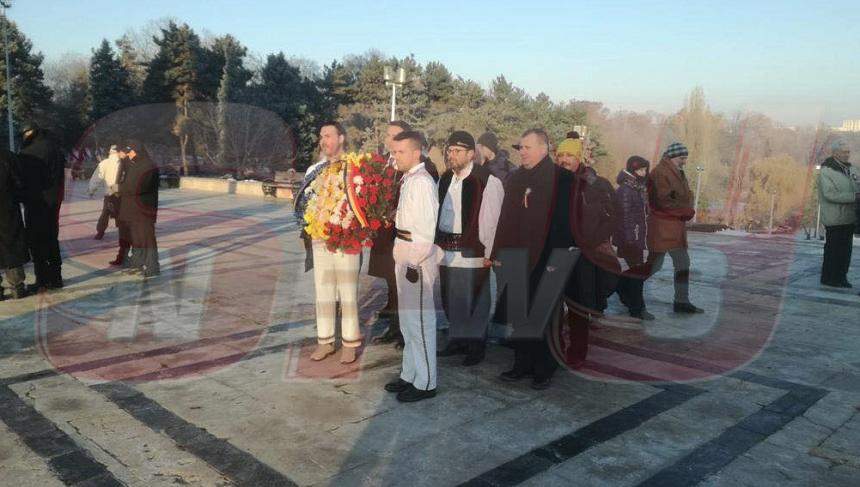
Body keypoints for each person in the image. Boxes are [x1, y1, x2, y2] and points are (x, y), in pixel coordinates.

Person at [493, 129, 577, 390]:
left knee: (543, 315)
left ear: (544, 148)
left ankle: (544, 367)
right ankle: (521, 363)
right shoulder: (516, 178)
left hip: (548, 258)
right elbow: (506, 219)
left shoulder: (562, 179)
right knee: (519, 314)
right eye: (520, 148)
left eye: (527, 147)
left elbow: (567, 225)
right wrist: (498, 253)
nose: (522, 152)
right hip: (518, 258)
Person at [435, 131, 504, 366]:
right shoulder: (445, 179)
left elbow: (493, 220)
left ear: (471, 154)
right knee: (451, 298)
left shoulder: (488, 181)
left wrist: (489, 254)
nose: (451, 155)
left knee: (476, 299)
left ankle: (475, 345)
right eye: (449, 151)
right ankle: (457, 339)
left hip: (474, 250)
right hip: (446, 249)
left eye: (457, 152)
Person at [297, 122, 363, 364]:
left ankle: (349, 343)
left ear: (341, 138)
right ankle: (324, 341)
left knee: (347, 293)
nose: (323, 140)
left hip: (346, 240)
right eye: (321, 136)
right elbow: (305, 203)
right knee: (323, 292)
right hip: (320, 238)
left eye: (328, 135)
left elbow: (361, 203)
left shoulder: (354, 166)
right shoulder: (314, 169)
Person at [383, 130, 440, 402]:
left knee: (419, 321)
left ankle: (427, 382)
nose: (395, 157)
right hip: (403, 251)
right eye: (394, 152)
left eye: (400, 152)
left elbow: (427, 231)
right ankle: (410, 374)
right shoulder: (410, 179)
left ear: (416, 152)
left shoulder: (423, 182)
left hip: (415, 258)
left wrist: (413, 263)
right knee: (407, 322)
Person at [369, 121, 438, 347]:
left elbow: (426, 227)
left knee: (416, 316)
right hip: (396, 244)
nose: (392, 147)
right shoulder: (397, 170)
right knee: (399, 301)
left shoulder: (423, 176)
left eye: (399, 147)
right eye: (389, 137)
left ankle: (422, 377)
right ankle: (407, 365)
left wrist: (413, 262)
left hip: (412, 252)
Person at [556, 137, 620, 366]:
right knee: (553, 304)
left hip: (584, 255)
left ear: (579, 157)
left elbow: (614, 218)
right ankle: (556, 348)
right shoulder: (552, 181)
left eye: (570, 155)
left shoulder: (597, 184)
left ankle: (577, 352)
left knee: (578, 307)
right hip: (556, 253)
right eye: (561, 155)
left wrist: (590, 241)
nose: (564, 160)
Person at [645, 142, 704, 313]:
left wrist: (685, 209)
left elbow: (681, 195)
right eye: (682, 158)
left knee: (681, 262)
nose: (685, 161)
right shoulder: (660, 173)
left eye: (685, 158)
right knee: (655, 265)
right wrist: (684, 211)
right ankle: (626, 286)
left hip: (673, 227)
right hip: (663, 227)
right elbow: (663, 201)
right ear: (671, 157)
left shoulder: (676, 172)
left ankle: (681, 301)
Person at [18, 125, 65, 292]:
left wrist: (20, 197)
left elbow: (23, 181)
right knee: (52, 240)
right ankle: (56, 278)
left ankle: (42, 279)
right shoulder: (54, 148)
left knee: (36, 242)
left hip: (36, 203)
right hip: (53, 203)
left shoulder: (29, 152)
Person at [613, 156, 654, 320]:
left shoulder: (637, 188)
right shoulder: (626, 190)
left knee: (636, 271)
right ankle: (637, 308)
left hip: (635, 237)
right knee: (638, 272)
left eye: (645, 170)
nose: (643, 173)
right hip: (630, 238)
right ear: (632, 170)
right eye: (640, 170)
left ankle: (621, 287)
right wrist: (631, 239)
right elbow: (625, 217)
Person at [116, 142, 160, 278]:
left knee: (147, 238)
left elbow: (137, 187)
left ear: (138, 151)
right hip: (133, 210)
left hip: (144, 210)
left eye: (131, 152)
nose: (129, 155)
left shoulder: (148, 166)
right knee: (136, 238)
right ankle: (137, 262)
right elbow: (124, 178)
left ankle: (153, 266)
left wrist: (119, 189)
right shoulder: (135, 164)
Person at [818, 139, 858, 288]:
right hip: (834, 218)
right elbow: (830, 194)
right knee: (833, 250)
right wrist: (854, 197)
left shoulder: (852, 169)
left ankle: (841, 277)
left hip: (849, 217)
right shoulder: (826, 171)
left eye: (848, 152)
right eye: (844, 152)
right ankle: (829, 278)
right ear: (835, 153)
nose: (847, 155)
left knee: (845, 251)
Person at [0, 150, 31, 301]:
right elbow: (20, 182)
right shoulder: (8, 156)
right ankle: (17, 286)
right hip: (7, 208)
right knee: (11, 244)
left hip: (7, 207)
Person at [88, 145, 121, 241]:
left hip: (109, 193)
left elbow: (96, 178)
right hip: (122, 192)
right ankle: (124, 232)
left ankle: (100, 232)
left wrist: (91, 190)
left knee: (105, 213)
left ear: (110, 152)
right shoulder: (125, 163)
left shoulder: (104, 163)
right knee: (122, 213)